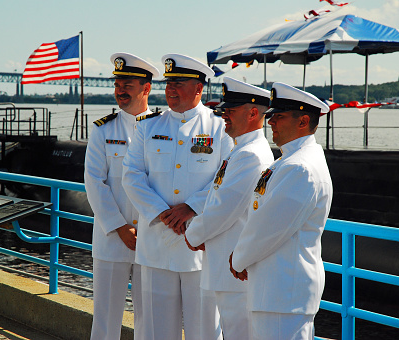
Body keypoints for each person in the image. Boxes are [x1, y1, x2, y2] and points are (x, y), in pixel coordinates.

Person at [122, 53, 232, 340]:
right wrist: (161, 212)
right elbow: (131, 176)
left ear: (198, 88)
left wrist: (191, 208)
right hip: (156, 247)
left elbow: (227, 177)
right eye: (168, 83)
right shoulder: (148, 126)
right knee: (157, 332)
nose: (171, 90)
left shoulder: (220, 128)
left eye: (179, 83)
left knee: (205, 331)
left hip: (200, 247)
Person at [230, 82, 333, 340]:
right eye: (272, 116)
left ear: (303, 121)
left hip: (283, 292)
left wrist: (238, 258)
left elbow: (268, 229)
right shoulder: (289, 161)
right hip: (276, 290)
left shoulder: (300, 168)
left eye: (280, 116)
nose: (271, 122)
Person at [184, 76, 274, 339]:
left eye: (231, 111)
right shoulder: (241, 150)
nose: (224, 116)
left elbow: (224, 209)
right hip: (226, 266)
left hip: (234, 270)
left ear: (253, 113)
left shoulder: (250, 155)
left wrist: (193, 234)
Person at [84, 52, 159, 340]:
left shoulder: (162, 129)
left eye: (128, 84)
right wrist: (119, 226)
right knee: (105, 319)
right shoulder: (103, 130)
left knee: (149, 319)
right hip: (111, 238)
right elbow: (94, 181)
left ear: (146, 88)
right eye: (118, 84)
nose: (120, 90)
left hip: (150, 237)